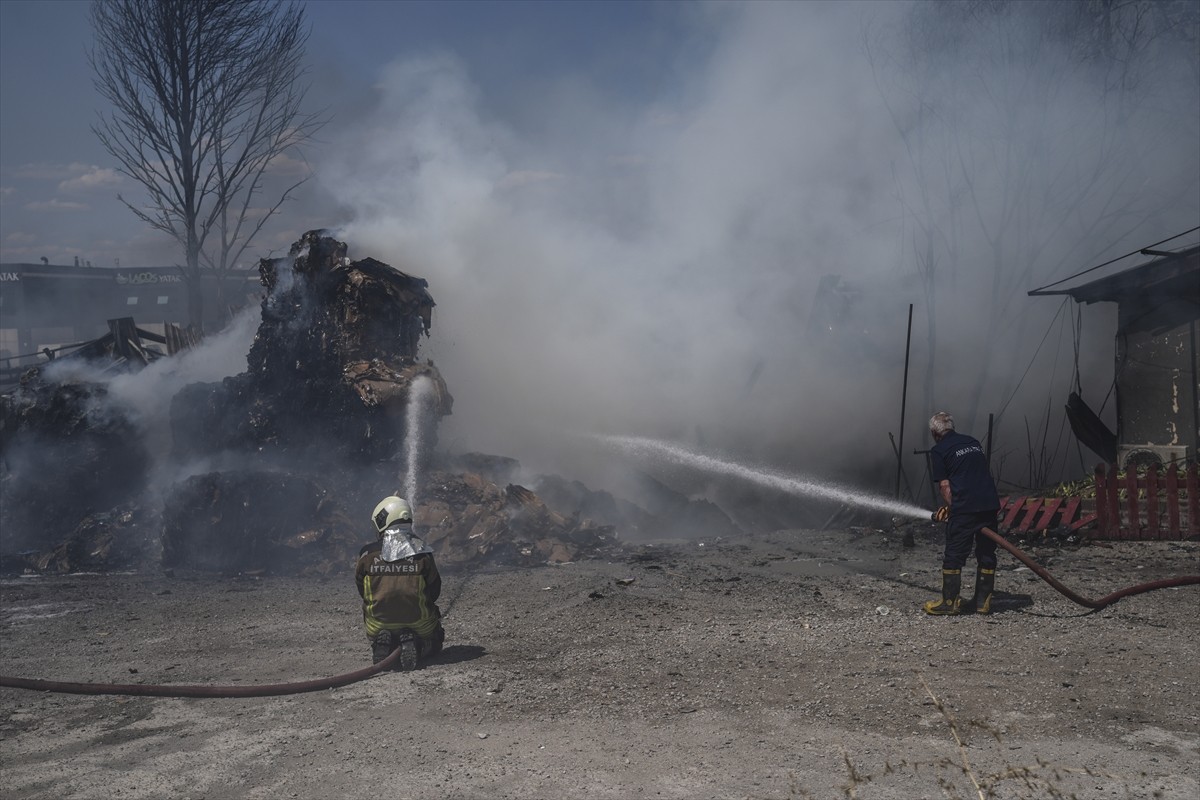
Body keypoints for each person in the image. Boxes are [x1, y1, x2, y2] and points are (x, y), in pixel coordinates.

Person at [355, 495, 445, 669]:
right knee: (436, 640)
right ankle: (418, 645)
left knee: (380, 625)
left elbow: (362, 590)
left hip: (377, 623)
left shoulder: (367, 554)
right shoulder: (422, 552)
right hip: (420, 622)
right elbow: (435, 591)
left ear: (382, 521)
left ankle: (382, 645)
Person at [925, 411, 1001, 616]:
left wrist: (951, 508)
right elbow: (973, 474)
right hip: (989, 503)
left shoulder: (939, 450)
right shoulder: (973, 442)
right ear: (952, 426)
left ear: (934, 432)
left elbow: (945, 485)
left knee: (954, 555)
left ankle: (949, 603)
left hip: (965, 507)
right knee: (986, 552)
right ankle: (982, 603)